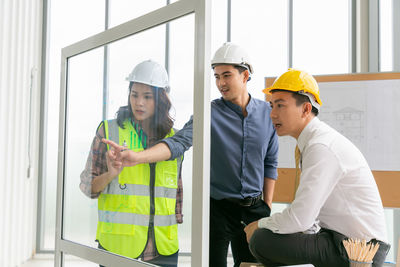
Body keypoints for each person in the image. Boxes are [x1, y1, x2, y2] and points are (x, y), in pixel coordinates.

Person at [104, 42, 279, 267]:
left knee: (253, 265)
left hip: (255, 209)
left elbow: (270, 162)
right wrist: (137, 157)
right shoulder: (208, 113)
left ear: (245, 75)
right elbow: (178, 143)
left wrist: (267, 207)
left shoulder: (267, 113)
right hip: (218, 210)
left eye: (226, 75)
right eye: (216, 76)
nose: (220, 83)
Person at [244, 68, 390, 267]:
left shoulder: (321, 147)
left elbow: (300, 218)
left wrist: (260, 224)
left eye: (280, 106)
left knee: (261, 240)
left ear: (305, 109)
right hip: (338, 239)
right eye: (271, 106)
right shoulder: (314, 142)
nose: (272, 114)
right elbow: (308, 218)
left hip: (362, 250)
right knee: (269, 237)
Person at [80, 60, 184, 267]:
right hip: (118, 245)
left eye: (147, 97)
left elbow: (176, 190)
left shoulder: (175, 139)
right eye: (134, 94)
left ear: (161, 99)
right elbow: (87, 187)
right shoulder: (109, 132)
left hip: (163, 246)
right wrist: (110, 174)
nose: (139, 103)